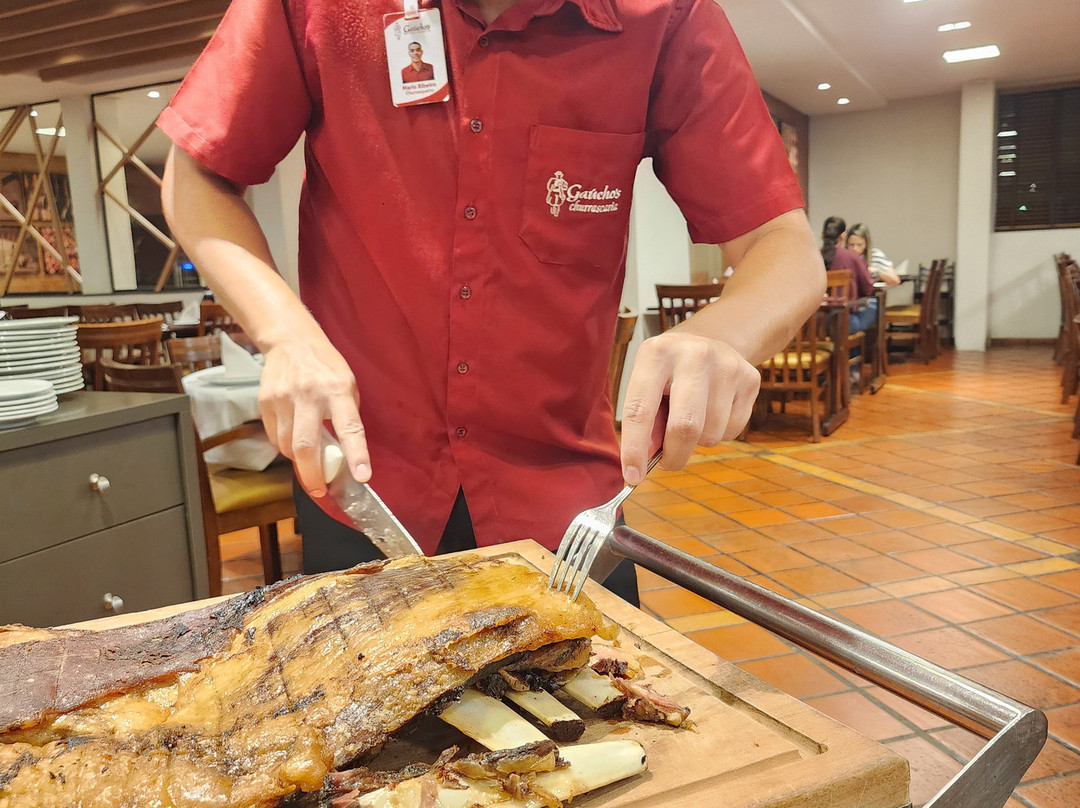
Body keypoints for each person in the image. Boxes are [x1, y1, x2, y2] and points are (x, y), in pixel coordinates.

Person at [159, 0, 825, 607]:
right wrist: (286, 333)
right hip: (364, 490)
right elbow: (197, 178)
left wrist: (723, 333)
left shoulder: (665, 16)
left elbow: (782, 246)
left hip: (565, 511)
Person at [821, 216, 876, 335]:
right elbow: (868, 289)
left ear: (822, 235)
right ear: (843, 236)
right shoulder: (852, 257)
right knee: (874, 305)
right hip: (843, 322)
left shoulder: (812, 258)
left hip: (816, 324)